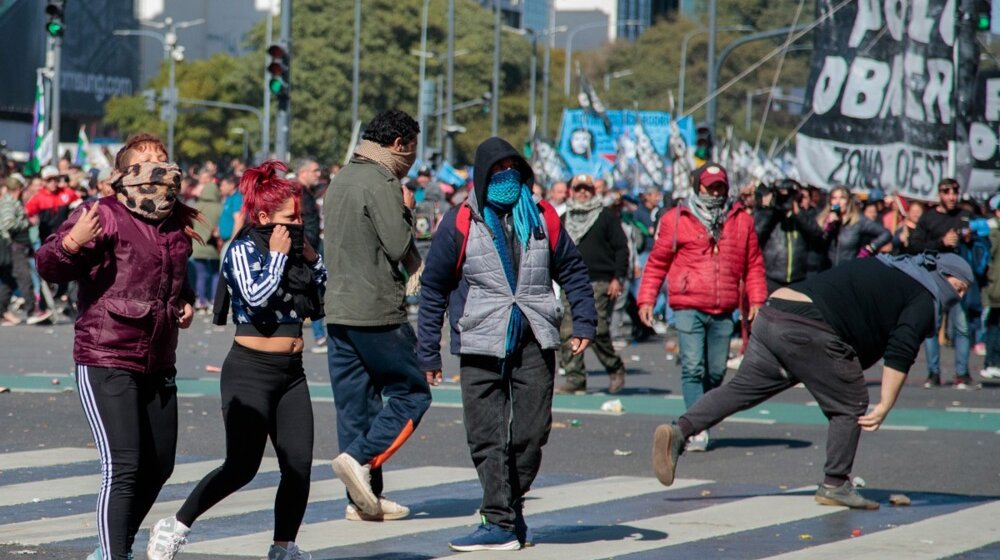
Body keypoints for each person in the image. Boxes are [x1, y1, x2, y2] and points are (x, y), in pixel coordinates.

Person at [652, 253, 974, 509]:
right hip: (808, 326)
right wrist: (886, 403)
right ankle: (836, 484)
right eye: (956, 287)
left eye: (963, 293)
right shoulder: (924, 294)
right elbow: (901, 349)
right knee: (850, 402)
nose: (956, 297)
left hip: (774, 313)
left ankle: (681, 430)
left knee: (741, 389)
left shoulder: (897, 267)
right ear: (941, 274)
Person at [418, 137, 596, 551]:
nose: (507, 177)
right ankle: (498, 520)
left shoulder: (543, 216)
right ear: (482, 175)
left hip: (535, 337)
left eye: (513, 169)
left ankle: (507, 510)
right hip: (480, 339)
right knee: (487, 435)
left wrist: (585, 321)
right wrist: (428, 350)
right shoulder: (460, 221)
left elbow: (572, 270)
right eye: (498, 170)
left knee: (532, 434)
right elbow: (434, 288)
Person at [148, 161, 325, 560]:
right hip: (250, 371)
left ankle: (283, 547)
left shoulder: (297, 250)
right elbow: (256, 297)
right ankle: (176, 525)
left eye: (299, 216)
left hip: (292, 373)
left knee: (298, 465)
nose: (298, 224)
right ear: (263, 218)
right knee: (242, 466)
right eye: (290, 218)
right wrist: (278, 257)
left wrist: (312, 258)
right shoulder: (241, 250)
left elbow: (322, 293)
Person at [34, 133, 199, 560]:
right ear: (124, 174)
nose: (157, 166)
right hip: (106, 355)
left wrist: (185, 302)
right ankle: (113, 554)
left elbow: (175, 279)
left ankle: (112, 546)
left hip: (158, 360)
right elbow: (48, 266)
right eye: (145, 160)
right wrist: (70, 243)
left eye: (162, 159)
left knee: (159, 465)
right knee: (123, 466)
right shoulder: (102, 213)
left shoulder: (174, 221)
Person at [323, 109, 430, 521]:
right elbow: (398, 244)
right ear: (399, 144)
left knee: (357, 408)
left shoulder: (342, 178)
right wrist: (407, 209)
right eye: (412, 149)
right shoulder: (383, 182)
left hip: (338, 311)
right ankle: (360, 458)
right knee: (412, 393)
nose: (412, 159)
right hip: (377, 311)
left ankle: (362, 501)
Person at [637, 163, 767, 451]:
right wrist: (646, 299)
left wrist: (757, 299)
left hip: (725, 307)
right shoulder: (676, 218)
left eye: (720, 186)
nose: (715, 192)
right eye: (710, 186)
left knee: (717, 371)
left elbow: (754, 263)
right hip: (688, 304)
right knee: (693, 367)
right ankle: (695, 428)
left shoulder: (741, 220)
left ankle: (700, 416)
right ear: (698, 186)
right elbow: (657, 262)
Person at [555, 173, 629, 394]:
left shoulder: (605, 217)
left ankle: (614, 367)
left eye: (586, 189)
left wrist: (618, 277)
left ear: (593, 191)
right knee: (567, 331)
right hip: (570, 282)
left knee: (597, 330)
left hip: (600, 281)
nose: (582, 193)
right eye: (578, 189)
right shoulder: (564, 218)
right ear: (571, 192)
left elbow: (621, 248)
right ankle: (575, 378)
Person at [905, 178, 977, 389]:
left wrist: (970, 239)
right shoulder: (929, 218)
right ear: (940, 194)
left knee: (962, 327)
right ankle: (933, 373)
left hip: (959, 280)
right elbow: (914, 246)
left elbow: (982, 239)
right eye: (947, 192)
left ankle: (962, 374)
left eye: (955, 192)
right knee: (932, 327)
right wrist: (941, 242)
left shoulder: (965, 216)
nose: (952, 196)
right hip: (935, 278)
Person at [754, 179, 826, 293]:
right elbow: (756, 236)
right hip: (771, 278)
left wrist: (797, 213)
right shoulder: (767, 215)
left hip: (799, 279)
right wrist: (771, 209)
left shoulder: (805, 215)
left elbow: (817, 236)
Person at [293, 158, 327, 352]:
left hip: (310, 248)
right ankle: (318, 336)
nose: (318, 174)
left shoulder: (306, 192)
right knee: (311, 292)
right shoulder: (298, 192)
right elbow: (302, 224)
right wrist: (307, 249)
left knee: (314, 291)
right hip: (306, 250)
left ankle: (319, 335)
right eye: (315, 171)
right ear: (303, 173)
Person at [815, 186, 891, 269]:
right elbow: (817, 243)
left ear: (848, 201)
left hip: (848, 269)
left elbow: (885, 233)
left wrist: (869, 249)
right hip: (827, 269)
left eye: (842, 198)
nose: (838, 202)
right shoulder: (823, 219)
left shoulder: (858, 220)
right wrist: (828, 226)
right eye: (834, 198)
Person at [0, 175, 40, 326]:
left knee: (9, 280)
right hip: (12, 245)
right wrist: (27, 222)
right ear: (18, 188)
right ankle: (32, 311)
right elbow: (8, 224)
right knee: (24, 277)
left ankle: (1, 311)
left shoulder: (13, 201)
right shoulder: (9, 203)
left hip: (15, 245)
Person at [190, 179, 223, 311]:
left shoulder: (196, 207)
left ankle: (201, 300)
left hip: (198, 245)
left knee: (200, 274)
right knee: (215, 273)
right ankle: (214, 299)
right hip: (213, 246)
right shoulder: (220, 207)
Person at [981, 195, 1000, 381]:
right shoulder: (992, 231)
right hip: (995, 285)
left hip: (996, 284)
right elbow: (989, 254)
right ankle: (992, 362)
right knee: (994, 325)